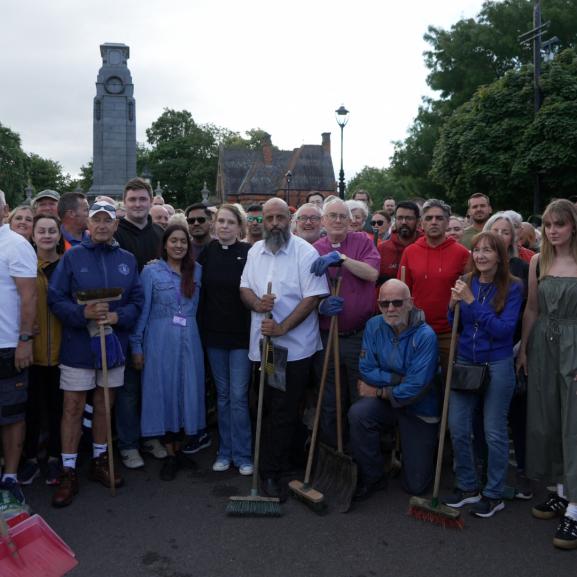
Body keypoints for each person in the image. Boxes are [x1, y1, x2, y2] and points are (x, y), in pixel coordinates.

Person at [48, 201, 143, 507]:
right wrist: (82, 312)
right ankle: (68, 469)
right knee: (73, 407)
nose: (102, 226)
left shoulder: (127, 259)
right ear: (88, 225)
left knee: (105, 404)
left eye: (108, 221)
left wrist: (120, 317)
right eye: (97, 220)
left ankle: (101, 461)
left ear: (117, 225)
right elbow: (56, 298)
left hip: (112, 344)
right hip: (78, 346)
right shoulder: (73, 257)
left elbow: (138, 300)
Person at [240, 198, 328, 499]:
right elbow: (245, 288)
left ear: (289, 220)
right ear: (262, 221)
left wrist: (283, 327)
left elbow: (313, 297)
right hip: (265, 347)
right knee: (265, 405)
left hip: (294, 348)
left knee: (285, 409)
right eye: (269, 218)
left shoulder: (306, 252)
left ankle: (273, 472)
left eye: (280, 217)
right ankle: (272, 462)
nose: (275, 223)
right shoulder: (255, 251)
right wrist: (256, 303)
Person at [444, 232, 523, 518]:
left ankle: (494, 492)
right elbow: (456, 323)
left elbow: (504, 330)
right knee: (459, 425)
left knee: (493, 430)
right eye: (476, 250)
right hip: (466, 360)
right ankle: (467, 486)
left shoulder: (513, 287)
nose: (480, 255)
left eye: (488, 250)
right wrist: (453, 306)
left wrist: (471, 302)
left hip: (498, 364)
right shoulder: (467, 281)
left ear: (501, 256)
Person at [518, 199, 577, 550]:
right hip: (543, 346)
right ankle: (560, 490)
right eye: (549, 224)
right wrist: (524, 349)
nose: (553, 230)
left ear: (573, 226)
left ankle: (575, 507)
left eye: (560, 224)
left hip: (574, 347)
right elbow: (532, 307)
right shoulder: (539, 260)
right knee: (549, 421)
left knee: (574, 425)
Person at [348, 279, 439, 501]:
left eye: (397, 303)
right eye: (384, 303)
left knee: (416, 487)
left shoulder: (426, 335)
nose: (390, 309)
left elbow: (416, 387)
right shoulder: (374, 325)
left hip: (419, 407)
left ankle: (416, 454)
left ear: (410, 303)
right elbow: (366, 369)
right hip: (388, 403)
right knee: (358, 414)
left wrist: (380, 391)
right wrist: (398, 379)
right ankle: (373, 475)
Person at [130, 224, 204, 481]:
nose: (179, 246)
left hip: (189, 339)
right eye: (174, 241)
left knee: (187, 390)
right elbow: (143, 310)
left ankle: (180, 449)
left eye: (183, 241)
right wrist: (136, 345)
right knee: (165, 392)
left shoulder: (197, 271)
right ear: (165, 244)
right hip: (160, 340)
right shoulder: (151, 272)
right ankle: (170, 453)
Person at [311, 197, 380, 447]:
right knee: (329, 400)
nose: (338, 220)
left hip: (357, 336)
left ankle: (358, 454)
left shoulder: (362, 241)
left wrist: (341, 258)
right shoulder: (315, 248)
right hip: (327, 335)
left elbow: (372, 274)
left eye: (343, 216)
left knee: (358, 398)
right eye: (333, 216)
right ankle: (333, 453)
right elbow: (305, 289)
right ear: (323, 221)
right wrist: (321, 306)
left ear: (351, 221)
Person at [114, 177, 165, 469]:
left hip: (157, 319)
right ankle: (128, 443)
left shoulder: (160, 232)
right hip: (128, 318)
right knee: (129, 388)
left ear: (150, 201)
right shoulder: (116, 233)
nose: (137, 204)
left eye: (142, 199)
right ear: (125, 202)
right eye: (132, 200)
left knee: (151, 384)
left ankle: (151, 435)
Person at [197, 205, 252, 476]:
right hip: (214, 335)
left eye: (230, 222)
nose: (225, 226)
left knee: (239, 397)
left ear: (239, 227)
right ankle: (224, 451)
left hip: (241, 336)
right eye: (221, 221)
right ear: (214, 224)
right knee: (223, 396)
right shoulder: (207, 253)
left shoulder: (249, 253)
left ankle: (243, 454)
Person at [484, 212, 531, 498]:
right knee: (488, 416)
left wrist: (522, 346)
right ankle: (487, 470)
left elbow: (530, 309)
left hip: (513, 346)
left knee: (516, 413)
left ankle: (524, 469)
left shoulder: (523, 269)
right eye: (495, 231)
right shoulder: (479, 267)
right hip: (483, 349)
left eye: (506, 232)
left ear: (513, 238)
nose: (501, 235)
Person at [399, 199, 470, 376]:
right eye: (429, 218)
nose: (433, 222)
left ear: (447, 222)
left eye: (439, 218)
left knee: (450, 384)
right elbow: (403, 290)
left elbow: (470, 292)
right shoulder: (410, 252)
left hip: (450, 331)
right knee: (420, 381)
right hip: (418, 329)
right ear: (421, 223)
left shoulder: (461, 253)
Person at [19, 215, 64, 487]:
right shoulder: (23, 266)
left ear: (59, 235)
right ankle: (31, 457)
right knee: (31, 408)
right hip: (31, 350)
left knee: (59, 408)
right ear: (33, 236)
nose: (47, 235)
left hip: (62, 348)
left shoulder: (67, 265)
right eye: (41, 231)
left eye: (52, 231)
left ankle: (56, 457)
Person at [0, 189, 37, 504]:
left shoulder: (16, 244)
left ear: (5, 210)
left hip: (8, 344)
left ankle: (10, 476)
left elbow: (29, 297)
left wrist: (25, 340)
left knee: (11, 413)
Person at [378, 201, 421, 285]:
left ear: (418, 221)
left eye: (409, 218)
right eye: (400, 218)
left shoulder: (426, 247)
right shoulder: (382, 249)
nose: (404, 222)